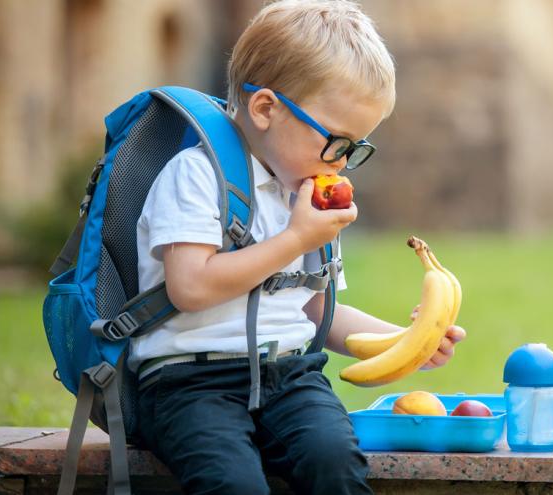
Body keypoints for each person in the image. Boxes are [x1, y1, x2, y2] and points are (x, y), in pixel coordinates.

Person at [129, 1, 466, 494]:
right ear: (266, 109)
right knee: (233, 484)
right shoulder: (197, 175)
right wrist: (296, 239)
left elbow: (315, 309)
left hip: (290, 376)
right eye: (336, 141)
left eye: (355, 148)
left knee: (335, 462)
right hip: (189, 382)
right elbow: (190, 287)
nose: (342, 163)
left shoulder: (304, 194)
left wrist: (408, 338)